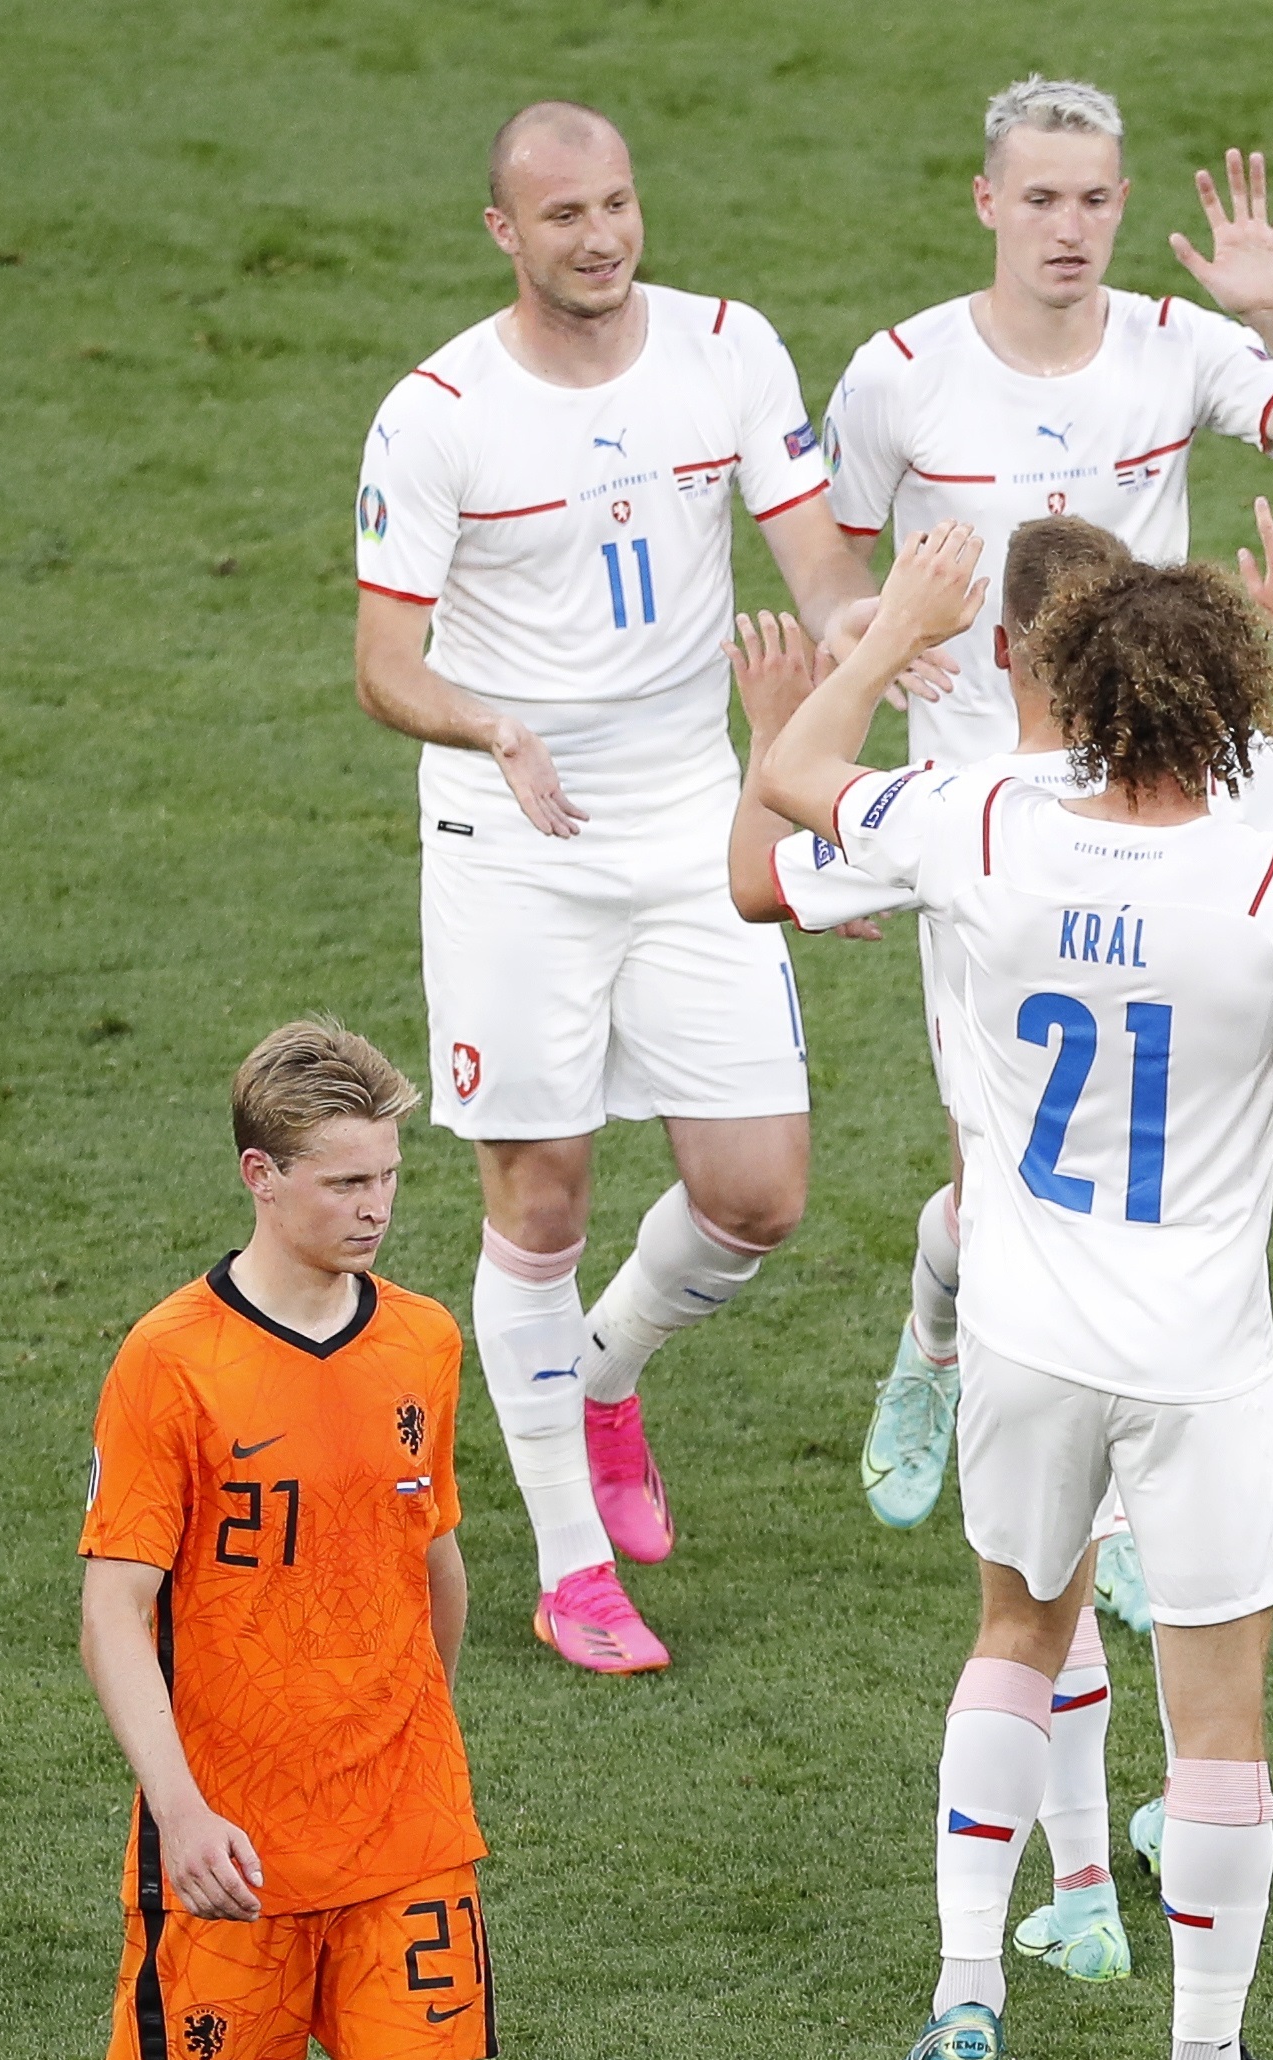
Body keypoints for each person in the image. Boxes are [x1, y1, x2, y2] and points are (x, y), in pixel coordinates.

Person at [747, 521, 1273, 2060]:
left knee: (1012, 1638)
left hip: (1021, 1337)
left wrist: (889, 635)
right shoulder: (1268, 874)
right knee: (1216, 1717)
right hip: (1196, 1362)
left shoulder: (979, 825)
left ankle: (967, 1990)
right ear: (1229, 703)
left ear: (1074, 689)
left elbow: (789, 788)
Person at [819, 74, 1273, 1580]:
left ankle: (1129, 1492)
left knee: (1179, 1149)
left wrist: (1272, 315)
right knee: (1004, 1167)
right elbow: (823, 561)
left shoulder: (1176, 345)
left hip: (1165, 796)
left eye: (1093, 199)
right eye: (1039, 198)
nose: (1067, 227)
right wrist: (872, 634)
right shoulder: (899, 377)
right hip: (989, 823)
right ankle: (939, 1345)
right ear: (986, 202)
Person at [354, 99, 905, 1675]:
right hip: (510, 844)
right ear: (503, 234)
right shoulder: (438, 412)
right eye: (562, 215)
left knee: (759, 1192)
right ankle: (571, 1567)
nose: (598, 237)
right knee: (541, 1197)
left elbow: (811, 565)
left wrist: (888, 637)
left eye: (616, 204)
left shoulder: (727, 349)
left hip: (689, 819)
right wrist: (498, 728)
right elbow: (384, 663)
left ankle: (601, 1375)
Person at [0, 1023, 505, 2060]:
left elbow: (433, 1563)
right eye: (345, 1183)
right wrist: (183, 1806)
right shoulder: (170, 1363)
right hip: (230, 1849)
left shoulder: (421, 1341)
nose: (375, 1209)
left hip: (405, 1831)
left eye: (391, 1180)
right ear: (258, 1177)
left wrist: (424, 1731)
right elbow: (111, 1614)